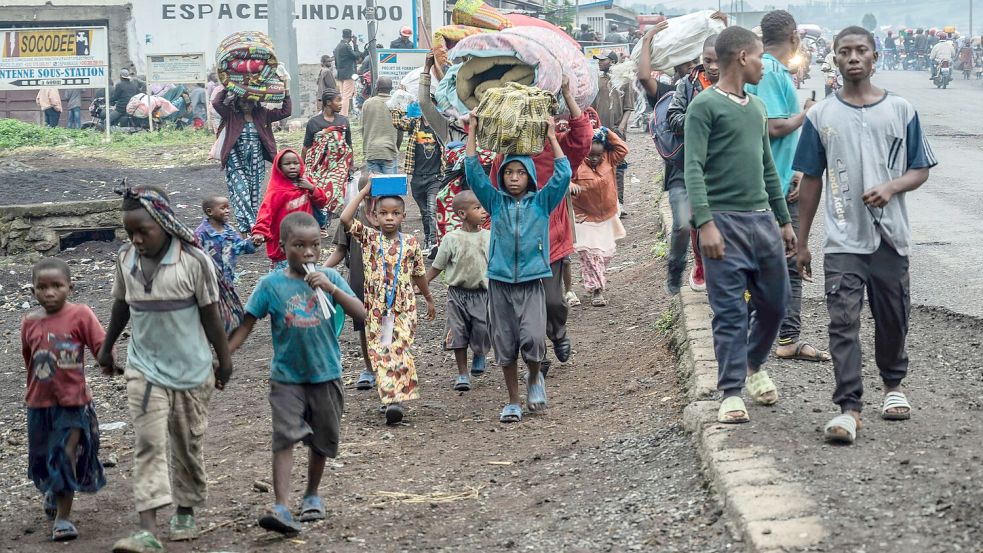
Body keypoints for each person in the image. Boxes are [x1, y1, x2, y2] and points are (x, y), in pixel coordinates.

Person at [793, 26, 936, 445]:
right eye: (845, 52)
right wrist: (802, 242)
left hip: (891, 238)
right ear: (834, 60)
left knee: (893, 318)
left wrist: (891, 187)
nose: (854, 57)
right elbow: (811, 179)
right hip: (842, 240)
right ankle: (849, 408)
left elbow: (920, 167)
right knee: (842, 321)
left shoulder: (902, 110)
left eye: (861, 51)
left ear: (875, 57)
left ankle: (893, 386)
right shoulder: (821, 117)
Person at [98, 185, 234, 552]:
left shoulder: (193, 261)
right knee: (148, 442)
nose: (137, 239)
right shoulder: (126, 260)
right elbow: (120, 305)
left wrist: (224, 359)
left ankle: (185, 509)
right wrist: (107, 347)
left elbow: (211, 314)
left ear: (164, 222)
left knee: (186, 441)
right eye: (130, 232)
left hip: (192, 370)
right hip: (144, 368)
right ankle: (148, 529)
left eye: (144, 230)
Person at [683, 26, 795, 425]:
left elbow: (767, 166)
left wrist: (783, 219)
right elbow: (692, 167)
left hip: (762, 220)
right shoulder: (705, 106)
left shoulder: (758, 107)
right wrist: (705, 223)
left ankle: (752, 363)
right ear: (743, 58)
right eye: (761, 56)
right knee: (729, 311)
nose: (765, 64)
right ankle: (731, 391)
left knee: (775, 303)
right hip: (723, 223)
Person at [228, 212, 366, 534]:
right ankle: (281, 505)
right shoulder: (271, 285)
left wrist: (331, 288)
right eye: (298, 245)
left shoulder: (330, 277)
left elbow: (361, 312)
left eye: (314, 245)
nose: (308, 253)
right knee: (284, 438)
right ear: (282, 246)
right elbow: (245, 326)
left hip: (326, 374)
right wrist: (223, 358)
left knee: (322, 440)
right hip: (287, 378)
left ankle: (312, 494)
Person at [466, 114, 572, 423]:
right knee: (506, 345)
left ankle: (535, 378)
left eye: (520, 173)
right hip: (499, 283)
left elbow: (562, 174)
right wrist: (473, 130)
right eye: (508, 172)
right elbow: (473, 172)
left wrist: (552, 137)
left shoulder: (541, 202)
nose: (513, 178)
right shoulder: (495, 203)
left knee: (534, 339)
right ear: (501, 176)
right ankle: (513, 400)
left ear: (529, 177)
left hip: (531, 283)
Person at [488, 77, 592, 369]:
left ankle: (558, 333)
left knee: (552, 301)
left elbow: (583, 137)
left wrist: (568, 96)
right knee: (523, 309)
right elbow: (496, 198)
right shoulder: (505, 157)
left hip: (551, 239)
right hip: (516, 247)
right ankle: (538, 355)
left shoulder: (555, 149)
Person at [744, 10, 826, 363]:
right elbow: (773, 127)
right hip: (773, 185)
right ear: (793, 36)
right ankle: (786, 337)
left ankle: (767, 333)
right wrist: (808, 111)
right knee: (788, 260)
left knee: (774, 262)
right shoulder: (770, 70)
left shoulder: (771, 69)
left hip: (779, 177)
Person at [23, 258, 112, 542]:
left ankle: (63, 518)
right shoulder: (30, 322)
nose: (49, 292)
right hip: (38, 403)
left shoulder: (81, 315)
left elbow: (101, 345)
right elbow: (30, 360)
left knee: (64, 455)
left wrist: (110, 362)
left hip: (73, 403)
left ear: (70, 287)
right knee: (41, 458)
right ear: (33, 290)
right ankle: (52, 490)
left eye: (57, 286)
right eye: (42, 287)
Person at [340, 183, 436, 425]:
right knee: (381, 352)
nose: (390, 218)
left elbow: (418, 273)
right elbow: (344, 218)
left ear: (404, 215)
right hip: (376, 311)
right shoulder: (369, 239)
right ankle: (392, 399)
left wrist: (428, 297)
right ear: (374, 216)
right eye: (384, 213)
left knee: (398, 349)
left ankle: (395, 399)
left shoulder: (412, 243)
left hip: (404, 309)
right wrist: (364, 193)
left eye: (395, 213)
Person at [664, 33, 721, 294]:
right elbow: (672, 117)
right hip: (684, 167)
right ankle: (676, 269)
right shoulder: (687, 85)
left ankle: (706, 267)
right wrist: (700, 117)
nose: (713, 67)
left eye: (718, 60)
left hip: (718, 169)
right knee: (683, 223)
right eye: (708, 60)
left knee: (707, 222)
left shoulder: (738, 86)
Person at [425, 190, 491, 391]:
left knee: (482, 329)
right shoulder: (451, 238)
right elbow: (438, 265)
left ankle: (479, 353)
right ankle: (462, 374)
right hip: (457, 294)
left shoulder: (489, 236)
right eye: (477, 208)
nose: (483, 212)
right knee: (458, 333)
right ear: (462, 214)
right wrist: (423, 284)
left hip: (482, 294)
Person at [212, 85, 293, 232]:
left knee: (253, 197)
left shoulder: (262, 113)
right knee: (242, 193)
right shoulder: (231, 114)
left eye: (249, 101)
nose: (246, 105)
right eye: (242, 101)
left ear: (255, 101)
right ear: (236, 102)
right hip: (236, 160)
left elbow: (285, 111)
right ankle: (252, 226)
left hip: (256, 161)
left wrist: (286, 93)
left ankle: (245, 230)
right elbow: (216, 103)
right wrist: (227, 86)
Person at [324, 171, 377, 391]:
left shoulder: (389, 214)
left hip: (386, 281)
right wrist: (322, 269)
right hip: (359, 279)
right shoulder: (353, 216)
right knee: (363, 326)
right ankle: (369, 368)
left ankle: (383, 366)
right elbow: (340, 250)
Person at [569, 127, 628, 307]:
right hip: (583, 217)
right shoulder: (576, 164)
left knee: (604, 255)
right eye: (590, 155)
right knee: (589, 254)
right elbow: (564, 176)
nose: (594, 159)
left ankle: (594, 279)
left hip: (607, 216)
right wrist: (570, 185)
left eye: (598, 155)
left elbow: (623, 149)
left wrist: (606, 131)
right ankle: (596, 290)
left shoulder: (610, 159)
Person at [252, 149, 329, 270]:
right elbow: (266, 212)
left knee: (307, 279)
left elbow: (322, 201)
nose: (292, 167)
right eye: (287, 164)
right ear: (279, 167)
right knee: (284, 281)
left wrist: (312, 188)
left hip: (305, 243)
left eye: (296, 163)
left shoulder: (305, 183)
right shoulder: (276, 191)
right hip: (284, 249)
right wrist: (260, 231)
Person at [393, 101, 444, 253]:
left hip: (435, 177)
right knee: (424, 213)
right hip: (417, 177)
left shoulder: (441, 125)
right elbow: (397, 122)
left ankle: (434, 243)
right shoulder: (415, 123)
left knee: (431, 210)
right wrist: (399, 103)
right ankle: (428, 240)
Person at [591, 50, 634, 214]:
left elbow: (629, 107)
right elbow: (592, 106)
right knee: (599, 165)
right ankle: (604, 202)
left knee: (619, 167)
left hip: (617, 130)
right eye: (598, 60)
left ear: (613, 62)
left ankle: (619, 203)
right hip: (599, 130)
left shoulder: (623, 80)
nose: (599, 62)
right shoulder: (596, 81)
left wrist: (622, 126)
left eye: (603, 60)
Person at [301, 89, 353, 225]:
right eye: (338, 100)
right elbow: (307, 146)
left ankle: (325, 220)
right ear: (328, 103)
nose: (341, 104)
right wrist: (302, 167)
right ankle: (321, 222)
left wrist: (350, 166)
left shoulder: (343, 121)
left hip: (338, 166)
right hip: (318, 166)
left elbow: (348, 145)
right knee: (318, 193)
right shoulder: (314, 122)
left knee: (334, 193)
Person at [194, 194, 259, 287]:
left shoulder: (229, 230)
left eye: (228, 208)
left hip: (228, 281)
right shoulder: (201, 234)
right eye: (223, 208)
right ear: (210, 211)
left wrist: (254, 242)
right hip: (208, 283)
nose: (227, 211)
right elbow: (194, 257)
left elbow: (238, 247)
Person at [361, 77, 399, 175]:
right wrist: (396, 148)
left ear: (376, 88)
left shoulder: (367, 104)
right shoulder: (396, 104)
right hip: (389, 152)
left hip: (372, 152)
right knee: (390, 188)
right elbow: (400, 130)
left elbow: (363, 129)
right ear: (391, 89)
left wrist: (366, 150)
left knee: (374, 188)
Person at [334, 29, 361, 117]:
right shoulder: (347, 46)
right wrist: (355, 44)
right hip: (349, 74)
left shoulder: (338, 46)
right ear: (350, 37)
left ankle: (341, 114)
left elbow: (336, 63)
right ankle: (344, 115)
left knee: (342, 95)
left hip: (340, 74)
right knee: (346, 96)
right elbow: (356, 55)